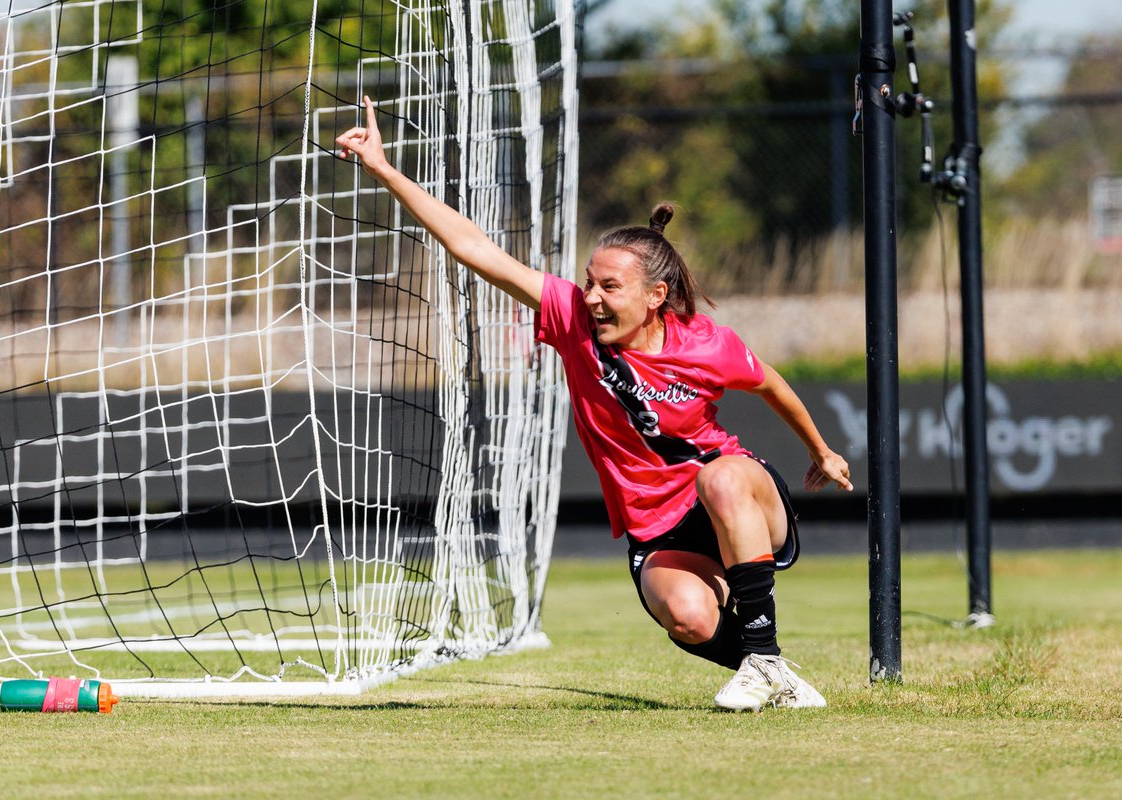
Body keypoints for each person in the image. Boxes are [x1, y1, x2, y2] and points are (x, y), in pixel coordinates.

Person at [336, 96, 853, 712]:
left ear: (657, 294)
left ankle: (764, 658)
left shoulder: (708, 345)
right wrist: (388, 173)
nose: (593, 296)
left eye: (610, 286)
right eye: (589, 281)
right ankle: (770, 673)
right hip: (656, 526)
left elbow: (771, 383)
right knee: (687, 618)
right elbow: (475, 250)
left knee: (719, 476)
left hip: (735, 497)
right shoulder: (570, 316)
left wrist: (820, 451)